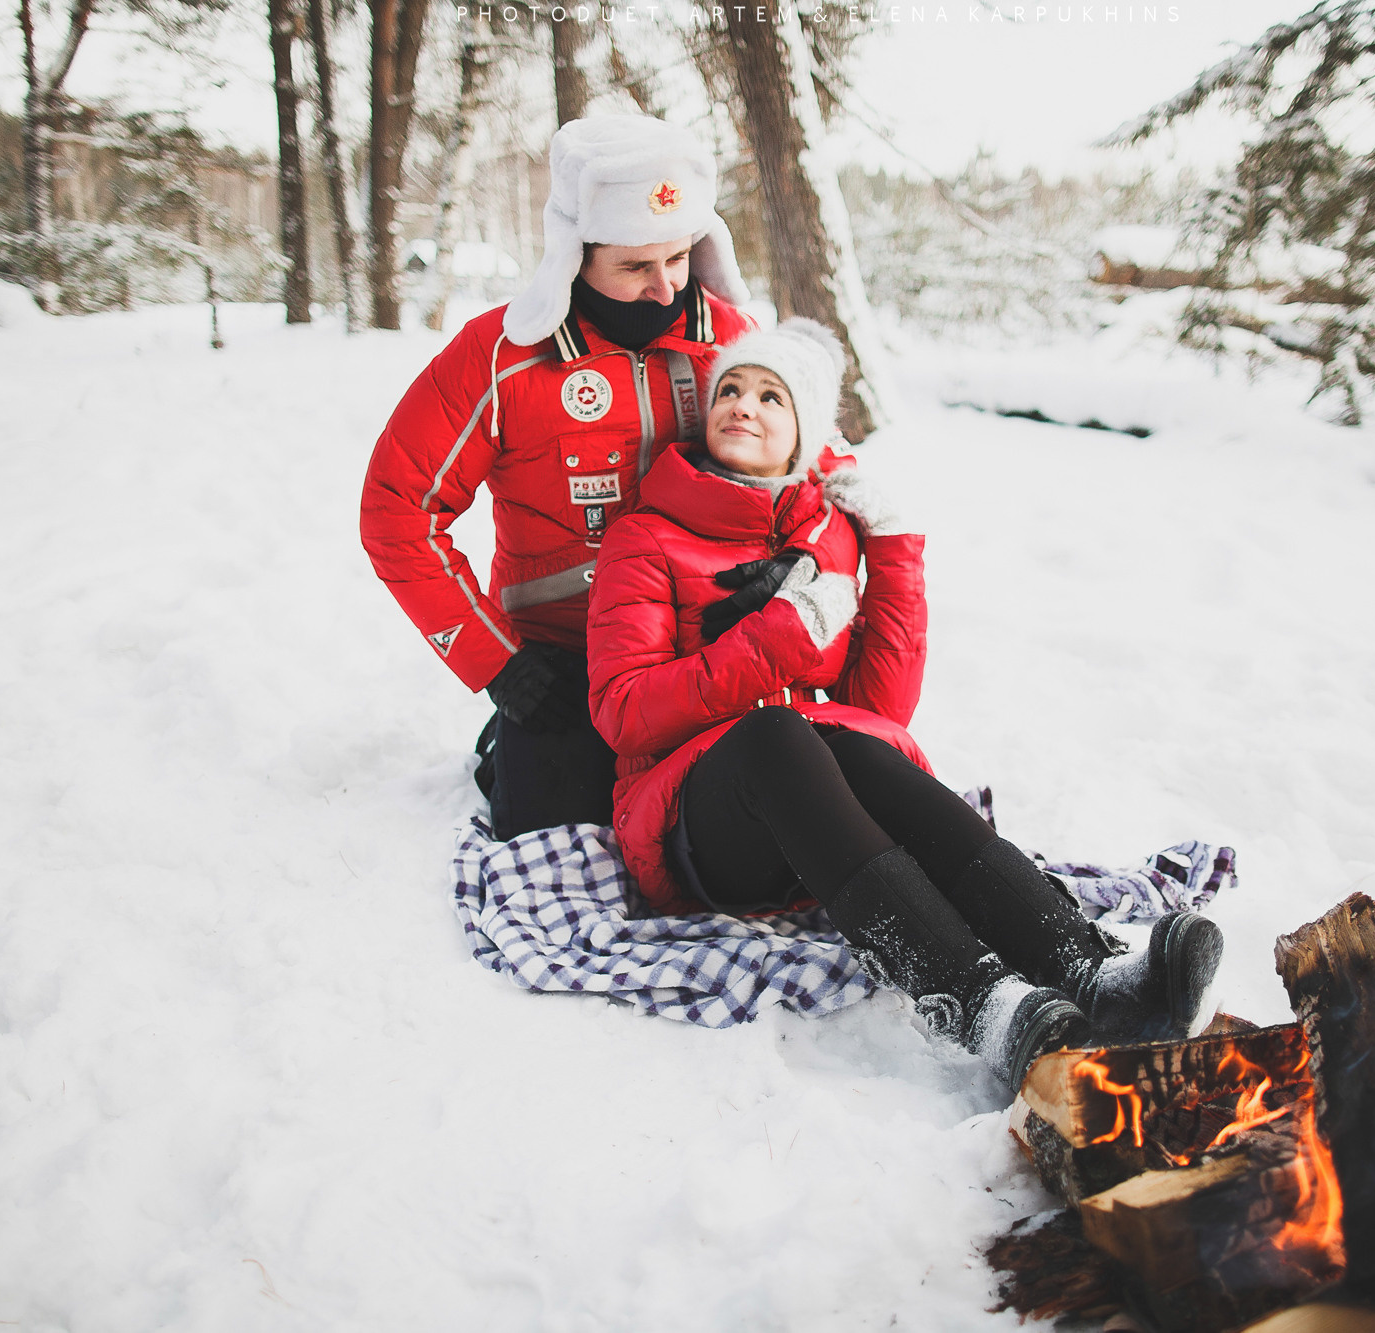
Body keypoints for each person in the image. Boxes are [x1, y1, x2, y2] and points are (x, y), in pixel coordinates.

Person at [584, 319, 1225, 1088]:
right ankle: (975, 998)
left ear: (803, 435)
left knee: (853, 744)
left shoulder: (826, 536)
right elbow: (622, 712)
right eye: (729, 388)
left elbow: (881, 707)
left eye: (770, 396)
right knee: (777, 734)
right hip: (699, 828)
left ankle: (1087, 968)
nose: (742, 405)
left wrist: (891, 548)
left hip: (822, 831)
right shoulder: (645, 538)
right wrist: (777, 635)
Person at [360, 114, 806, 839]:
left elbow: (817, 483)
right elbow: (395, 508)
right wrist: (499, 663)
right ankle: (509, 748)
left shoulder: (733, 345)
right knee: (559, 838)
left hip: (699, 658)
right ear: (575, 253)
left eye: (678, 259)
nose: (665, 289)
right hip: (564, 671)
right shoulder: (499, 357)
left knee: (730, 840)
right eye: (635, 267)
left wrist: (787, 567)